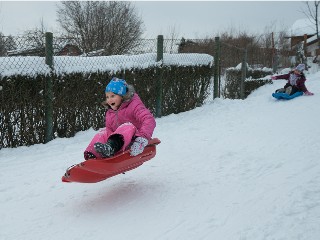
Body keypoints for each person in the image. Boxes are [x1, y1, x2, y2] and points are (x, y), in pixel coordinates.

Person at [84, 77, 156, 159]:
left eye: (112, 96)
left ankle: (110, 148)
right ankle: (92, 155)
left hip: (134, 140)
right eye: (107, 97)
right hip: (117, 143)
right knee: (103, 132)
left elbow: (149, 119)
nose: (109, 100)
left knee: (127, 126)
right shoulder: (110, 112)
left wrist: (142, 138)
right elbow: (109, 130)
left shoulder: (134, 105)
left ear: (122, 96)